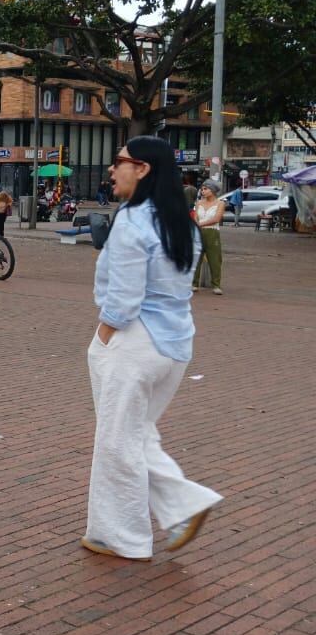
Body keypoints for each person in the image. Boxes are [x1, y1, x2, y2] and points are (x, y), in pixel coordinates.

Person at [82, 135, 222, 562]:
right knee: (135, 432)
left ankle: (121, 536)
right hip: (175, 343)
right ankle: (184, 505)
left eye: (119, 161)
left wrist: (105, 334)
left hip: (135, 341)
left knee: (116, 440)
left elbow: (124, 298)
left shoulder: (132, 220)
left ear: (142, 169)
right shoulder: (180, 221)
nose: (112, 168)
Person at [192, 180, 225, 295]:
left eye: (206, 189)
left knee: (214, 259)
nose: (203, 191)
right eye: (202, 189)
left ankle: (216, 284)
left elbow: (216, 219)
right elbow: (196, 217)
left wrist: (199, 224)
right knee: (196, 257)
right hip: (199, 232)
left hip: (212, 232)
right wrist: (196, 224)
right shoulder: (199, 203)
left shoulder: (220, 203)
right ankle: (194, 283)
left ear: (213, 190)